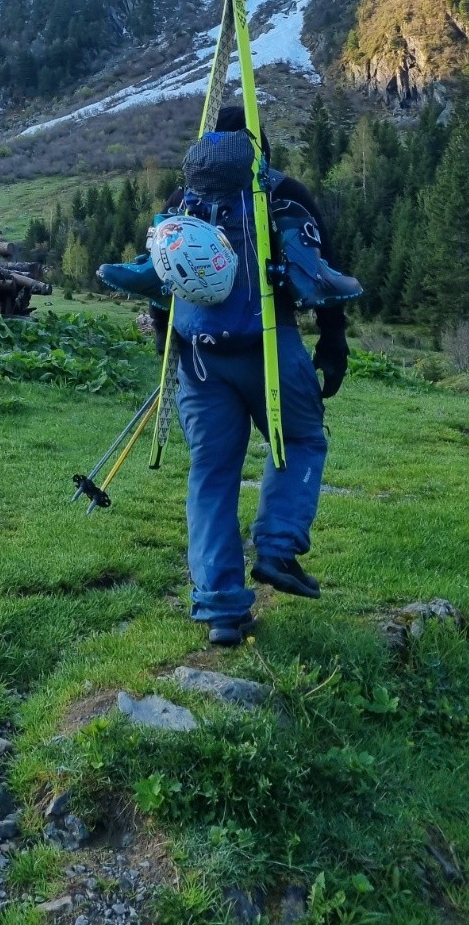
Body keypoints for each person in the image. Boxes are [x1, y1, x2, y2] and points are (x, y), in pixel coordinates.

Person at [149, 104, 349, 647]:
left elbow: (162, 282)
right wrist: (333, 344)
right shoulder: (285, 192)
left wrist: (167, 340)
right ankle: (278, 549)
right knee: (301, 440)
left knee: (211, 472)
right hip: (268, 345)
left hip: (198, 356)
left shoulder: (182, 200)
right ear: (259, 144)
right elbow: (320, 274)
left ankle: (220, 610)